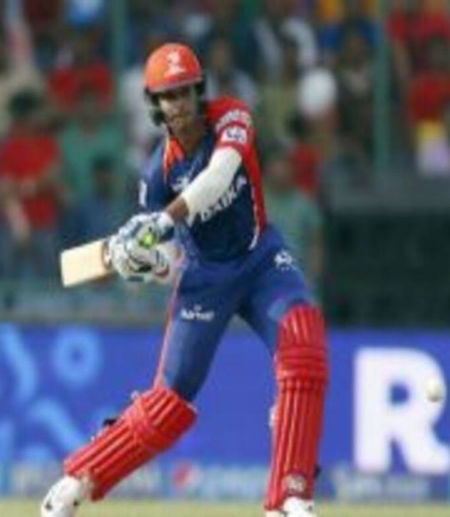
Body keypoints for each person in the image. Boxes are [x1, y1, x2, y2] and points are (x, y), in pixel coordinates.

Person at [41, 43, 329, 517]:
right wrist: (146, 263)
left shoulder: (232, 117)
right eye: (168, 96)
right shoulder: (157, 176)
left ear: (199, 92)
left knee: (305, 349)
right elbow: (170, 261)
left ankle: (289, 499)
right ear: (155, 105)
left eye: (185, 92)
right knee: (169, 406)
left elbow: (219, 176)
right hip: (204, 279)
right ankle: (73, 483)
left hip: (260, 257)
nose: (178, 105)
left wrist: (162, 221)